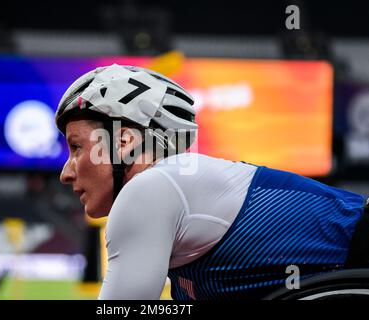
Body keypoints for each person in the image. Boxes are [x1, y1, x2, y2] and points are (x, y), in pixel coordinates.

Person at [55, 64, 369, 300]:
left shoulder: (149, 190)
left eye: (76, 146)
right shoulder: (179, 188)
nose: (65, 173)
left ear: (123, 141)